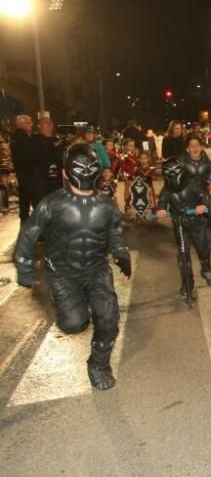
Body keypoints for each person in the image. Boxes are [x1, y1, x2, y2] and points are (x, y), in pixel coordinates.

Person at [14, 144, 131, 390]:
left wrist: (122, 256)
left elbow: (115, 234)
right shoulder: (52, 203)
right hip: (63, 273)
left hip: (97, 269)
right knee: (73, 323)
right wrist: (24, 267)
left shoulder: (107, 205)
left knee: (108, 318)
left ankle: (98, 364)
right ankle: (77, 312)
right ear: (66, 173)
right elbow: (29, 232)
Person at [155, 158, 211, 291]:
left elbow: (204, 196)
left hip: (196, 221)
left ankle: (206, 269)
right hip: (179, 223)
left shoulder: (192, 184)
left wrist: (202, 206)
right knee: (183, 253)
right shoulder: (166, 189)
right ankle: (187, 280)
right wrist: (161, 209)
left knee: (202, 248)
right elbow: (161, 202)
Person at [182, 134, 211, 250]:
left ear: (201, 147)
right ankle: (185, 242)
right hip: (188, 195)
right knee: (186, 217)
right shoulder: (182, 164)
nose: (195, 148)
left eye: (197, 145)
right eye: (192, 146)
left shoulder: (208, 163)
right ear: (187, 149)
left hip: (203, 194)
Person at [32, 116, 63, 205]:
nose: (49, 125)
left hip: (57, 179)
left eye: (51, 123)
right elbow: (38, 155)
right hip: (41, 179)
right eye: (46, 122)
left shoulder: (57, 140)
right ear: (39, 126)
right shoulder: (35, 139)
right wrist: (55, 145)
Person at [11, 114, 37, 222]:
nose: (32, 124)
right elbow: (28, 154)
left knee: (25, 197)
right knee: (30, 196)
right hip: (26, 172)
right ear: (22, 124)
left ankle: (25, 218)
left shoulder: (17, 136)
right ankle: (29, 220)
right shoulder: (21, 136)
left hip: (22, 171)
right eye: (29, 122)